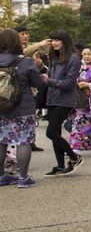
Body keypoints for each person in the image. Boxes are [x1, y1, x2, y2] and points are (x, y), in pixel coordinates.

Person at [0, 28, 45, 187]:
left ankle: (1, 176)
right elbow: (38, 83)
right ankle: (23, 178)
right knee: (23, 141)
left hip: (1, 108)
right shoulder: (24, 61)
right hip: (22, 107)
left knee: (1, 141)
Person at [41, 30, 83, 177]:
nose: (54, 43)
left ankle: (74, 157)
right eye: (52, 40)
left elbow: (69, 83)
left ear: (65, 41)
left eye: (57, 40)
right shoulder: (54, 57)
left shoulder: (73, 58)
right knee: (55, 133)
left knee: (50, 132)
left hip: (64, 101)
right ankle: (60, 165)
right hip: (52, 99)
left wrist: (49, 81)